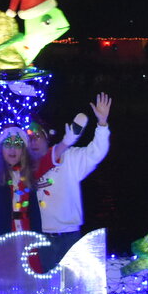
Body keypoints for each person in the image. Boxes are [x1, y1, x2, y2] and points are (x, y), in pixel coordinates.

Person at [27, 93, 111, 270]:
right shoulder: (23, 168)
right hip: (39, 238)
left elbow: (96, 153)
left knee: (73, 287)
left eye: (38, 136)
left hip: (70, 236)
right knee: (44, 288)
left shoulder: (68, 158)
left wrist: (102, 123)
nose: (33, 141)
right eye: (29, 137)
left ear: (47, 137)